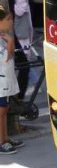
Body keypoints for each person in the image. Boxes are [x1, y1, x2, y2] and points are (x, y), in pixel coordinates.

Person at [7, 0, 34, 99]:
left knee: (24, 64)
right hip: (11, 35)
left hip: (19, 34)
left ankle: (18, 95)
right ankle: (17, 96)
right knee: (23, 65)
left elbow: (19, 12)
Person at [0, 9, 22, 154]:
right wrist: (10, 42)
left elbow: (11, 54)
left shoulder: (4, 36)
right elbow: (5, 57)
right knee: (1, 111)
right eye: (8, 19)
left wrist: (10, 42)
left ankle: (5, 138)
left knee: (4, 110)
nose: (11, 22)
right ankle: (1, 142)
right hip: (1, 82)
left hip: (5, 81)